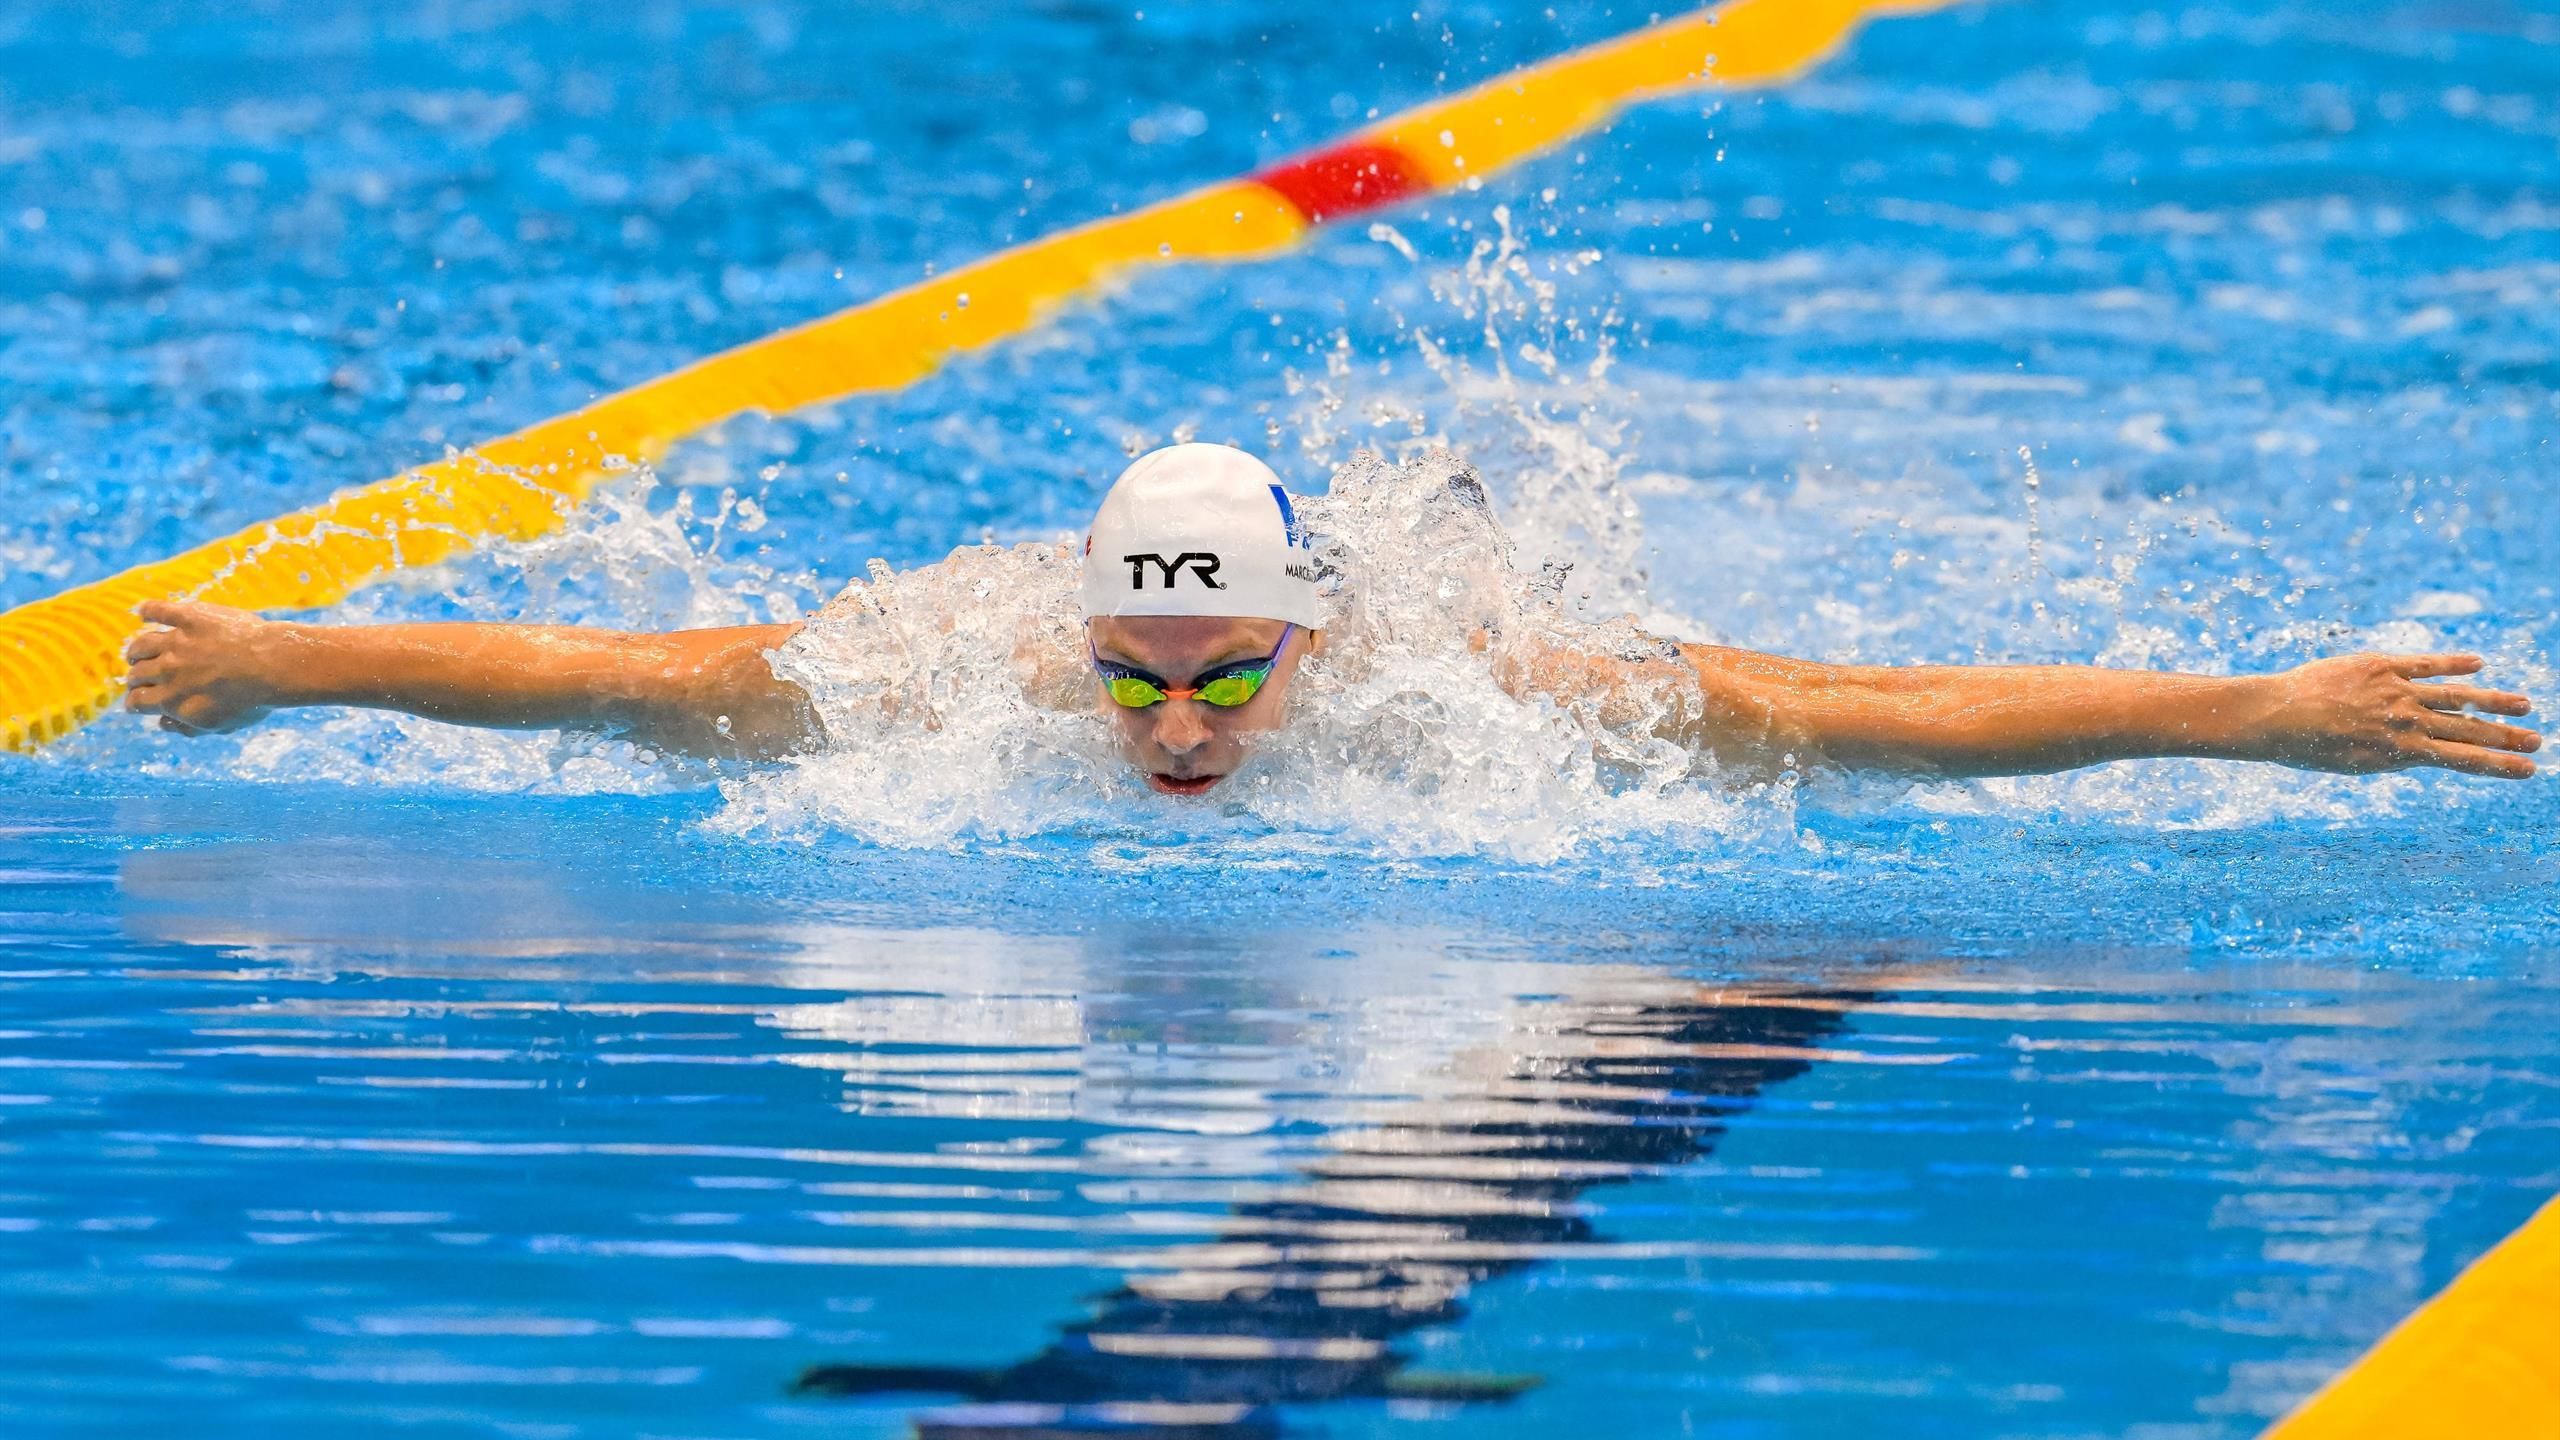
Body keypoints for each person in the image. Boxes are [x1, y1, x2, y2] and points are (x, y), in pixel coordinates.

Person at [118, 442, 2542, 795]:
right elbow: (604, 676)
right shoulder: (965, 663)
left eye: (1220, 674)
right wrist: (270, 657)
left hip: (1421, 568)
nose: (1175, 729)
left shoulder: (1443, 682)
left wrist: (2258, 710)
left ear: (1294, 645)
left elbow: (1862, 711)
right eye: (1136, 674)